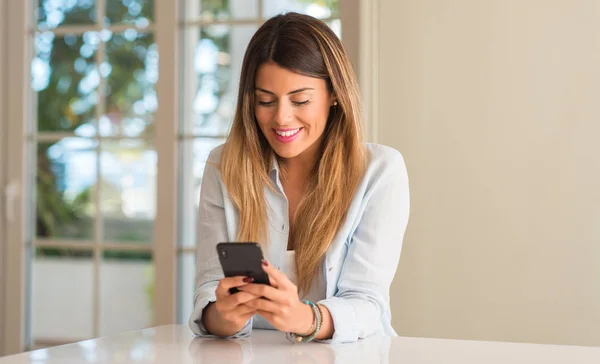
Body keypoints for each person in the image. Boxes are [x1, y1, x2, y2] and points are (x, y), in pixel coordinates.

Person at [188, 12, 409, 344]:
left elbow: (367, 301)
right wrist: (223, 315)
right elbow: (209, 289)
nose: (281, 117)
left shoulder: (379, 171)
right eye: (265, 100)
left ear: (334, 93)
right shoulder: (224, 166)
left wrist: (304, 317)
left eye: (300, 100)